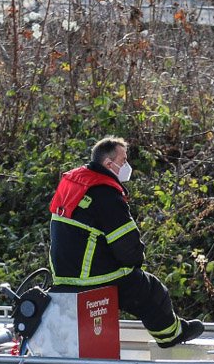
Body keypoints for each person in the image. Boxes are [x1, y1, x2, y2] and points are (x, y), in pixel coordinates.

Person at [49, 136, 204, 348]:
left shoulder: (74, 184)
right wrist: (135, 264)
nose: (127, 166)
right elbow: (127, 246)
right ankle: (171, 336)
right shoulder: (106, 194)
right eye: (123, 161)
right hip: (93, 278)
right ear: (107, 164)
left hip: (64, 276)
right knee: (149, 289)